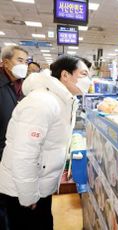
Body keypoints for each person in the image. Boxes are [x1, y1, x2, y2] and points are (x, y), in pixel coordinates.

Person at [0, 55, 91, 230]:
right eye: (84, 74)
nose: (89, 80)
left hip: (39, 185)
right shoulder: (42, 102)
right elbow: (24, 153)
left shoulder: (62, 100)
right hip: (22, 191)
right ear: (65, 75)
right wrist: (28, 196)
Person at [0, 45, 28, 161]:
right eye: (20, 60)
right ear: (6, 62)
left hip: (15, 149)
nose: (24, 65)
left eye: (26, 62)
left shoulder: (23, 86)